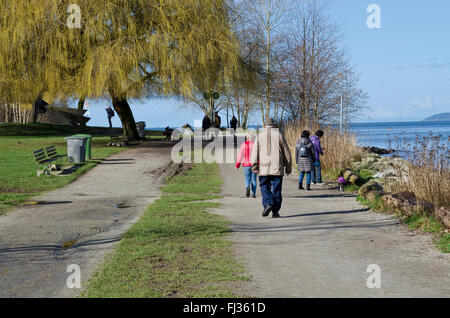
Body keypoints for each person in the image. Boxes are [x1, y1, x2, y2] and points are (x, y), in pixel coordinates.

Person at [251, 119, 292, 218]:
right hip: (277, 167)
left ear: (264, 126)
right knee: (277, 189)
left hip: (264, 168)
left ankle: (268, 203)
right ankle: (275, 212)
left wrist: (254, 166)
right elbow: (287, 154)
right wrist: (288, 168)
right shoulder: (279, 136)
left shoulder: (259, 136)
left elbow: (254, 153)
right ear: (274, 126)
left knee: (264, 187)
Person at [236, 133, 257, 198]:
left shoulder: (243, 145)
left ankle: (247, 187)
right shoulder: (254, 145)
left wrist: (237, 165)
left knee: (247, 178)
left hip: (246, 165)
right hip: (254, 164)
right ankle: (253, 194)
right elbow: (257, 155)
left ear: (246, 137)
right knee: (254, 179)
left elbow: (240, 156)